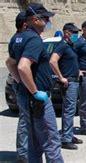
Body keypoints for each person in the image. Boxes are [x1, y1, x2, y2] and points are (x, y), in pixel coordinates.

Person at [15, 3, 63, 162]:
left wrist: (22, 83)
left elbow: (10, 63)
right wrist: (35, 92)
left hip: (25, 96)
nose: (48, 21)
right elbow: (22, 66)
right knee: (51, 141)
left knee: (34, 144)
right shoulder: (34, 39)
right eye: (46, 18)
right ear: (35, 19)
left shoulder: (18, 38)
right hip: (37, 100)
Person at [49, 23, 84, 150]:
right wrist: (60, 77)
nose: (76, 34)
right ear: (66, 32)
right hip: (68, 82)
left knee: (70, 109)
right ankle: (66, 139)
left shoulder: (70, 45)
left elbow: (70, 62)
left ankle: (68, 134)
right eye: (74, 32)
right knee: (69, 110)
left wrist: (77, 71)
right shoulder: (62, 45)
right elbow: (53, 61)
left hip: (74, 80)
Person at [5, 11, 28, 162]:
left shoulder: (17, 39)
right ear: (25, 25)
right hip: (24, 86)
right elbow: (12, 63)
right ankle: (23, 154)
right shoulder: (18, 40)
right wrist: (21, 81)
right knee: (25, 120)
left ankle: (26, 152)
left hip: (23, 84)